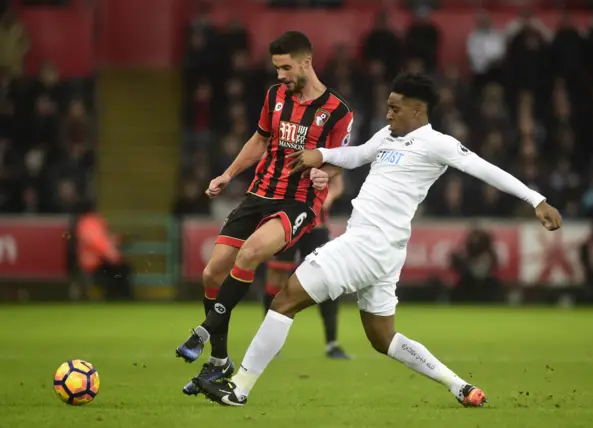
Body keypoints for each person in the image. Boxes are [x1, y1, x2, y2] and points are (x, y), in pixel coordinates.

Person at [194, 72, 563, 407]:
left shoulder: (438, 144)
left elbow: (485, 169)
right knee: (383, 338)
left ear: (417, 111)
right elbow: (356, 156)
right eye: (387, 106)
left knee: (285, 299)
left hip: (368, 245)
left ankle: (238, 388)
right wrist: (319, 155)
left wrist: (537, 200)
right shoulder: (388, 136)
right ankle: (459, 386)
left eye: (395, 108)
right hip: (385, 252)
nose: (387, 114)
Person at [176, 31, 354, 396]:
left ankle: (205, 329)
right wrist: (227, 175)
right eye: (276, 67)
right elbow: (259, 140)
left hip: (298, 202)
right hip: (258, 194)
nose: (280, 75)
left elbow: (344, 159)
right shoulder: (275, 96)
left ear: (306, 62)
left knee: (252, 252)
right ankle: (219, 361)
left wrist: (327, 172)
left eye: (286, 67)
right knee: (212, 273)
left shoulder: (338, 111)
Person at [263, 173, 350, 359]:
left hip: (316, 224)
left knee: (327, 278)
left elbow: (337, 183)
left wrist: (329, 197)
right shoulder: (284, 147)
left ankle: (332, 344)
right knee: (276, 278)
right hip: (284, 220)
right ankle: (269, 343)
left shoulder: (326, 150)